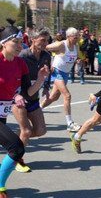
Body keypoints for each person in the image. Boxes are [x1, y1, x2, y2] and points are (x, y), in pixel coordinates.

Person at [0, 18, 49, 197]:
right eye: (16, 42)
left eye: (22, 42)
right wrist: (14, 95)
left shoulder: (20, 63)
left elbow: (28, 92)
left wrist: (42, 78)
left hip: (2, 113)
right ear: (3, 43)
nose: (20, 45)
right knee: (16, 148)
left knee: (16, 148)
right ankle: (1, 188)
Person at [11, 28, 51, 173]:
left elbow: (48, 72)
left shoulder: (46, 55)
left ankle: (14, 139)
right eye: (42, 40)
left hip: (33, 97)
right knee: (26, 131)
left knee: (41, 130)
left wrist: (46, 87)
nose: (46, 43)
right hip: (18, 98)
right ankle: (17, 159)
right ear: (33, 40)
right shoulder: (22, 56)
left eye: (47, 40)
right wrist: (15, 94)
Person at [40, 27, 81, 132]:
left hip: (66, 74)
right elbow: (44, 47)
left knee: (54, 97)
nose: (77, 38)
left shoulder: (76, 46)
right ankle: (70, 123)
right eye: (75, 37)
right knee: (67, 96)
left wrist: (78, 62)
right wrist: (48, 63)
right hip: (57, 72)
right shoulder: (61, 45)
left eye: (78, 36)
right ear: (68, 36)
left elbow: (74, 58)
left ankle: (38, 109)